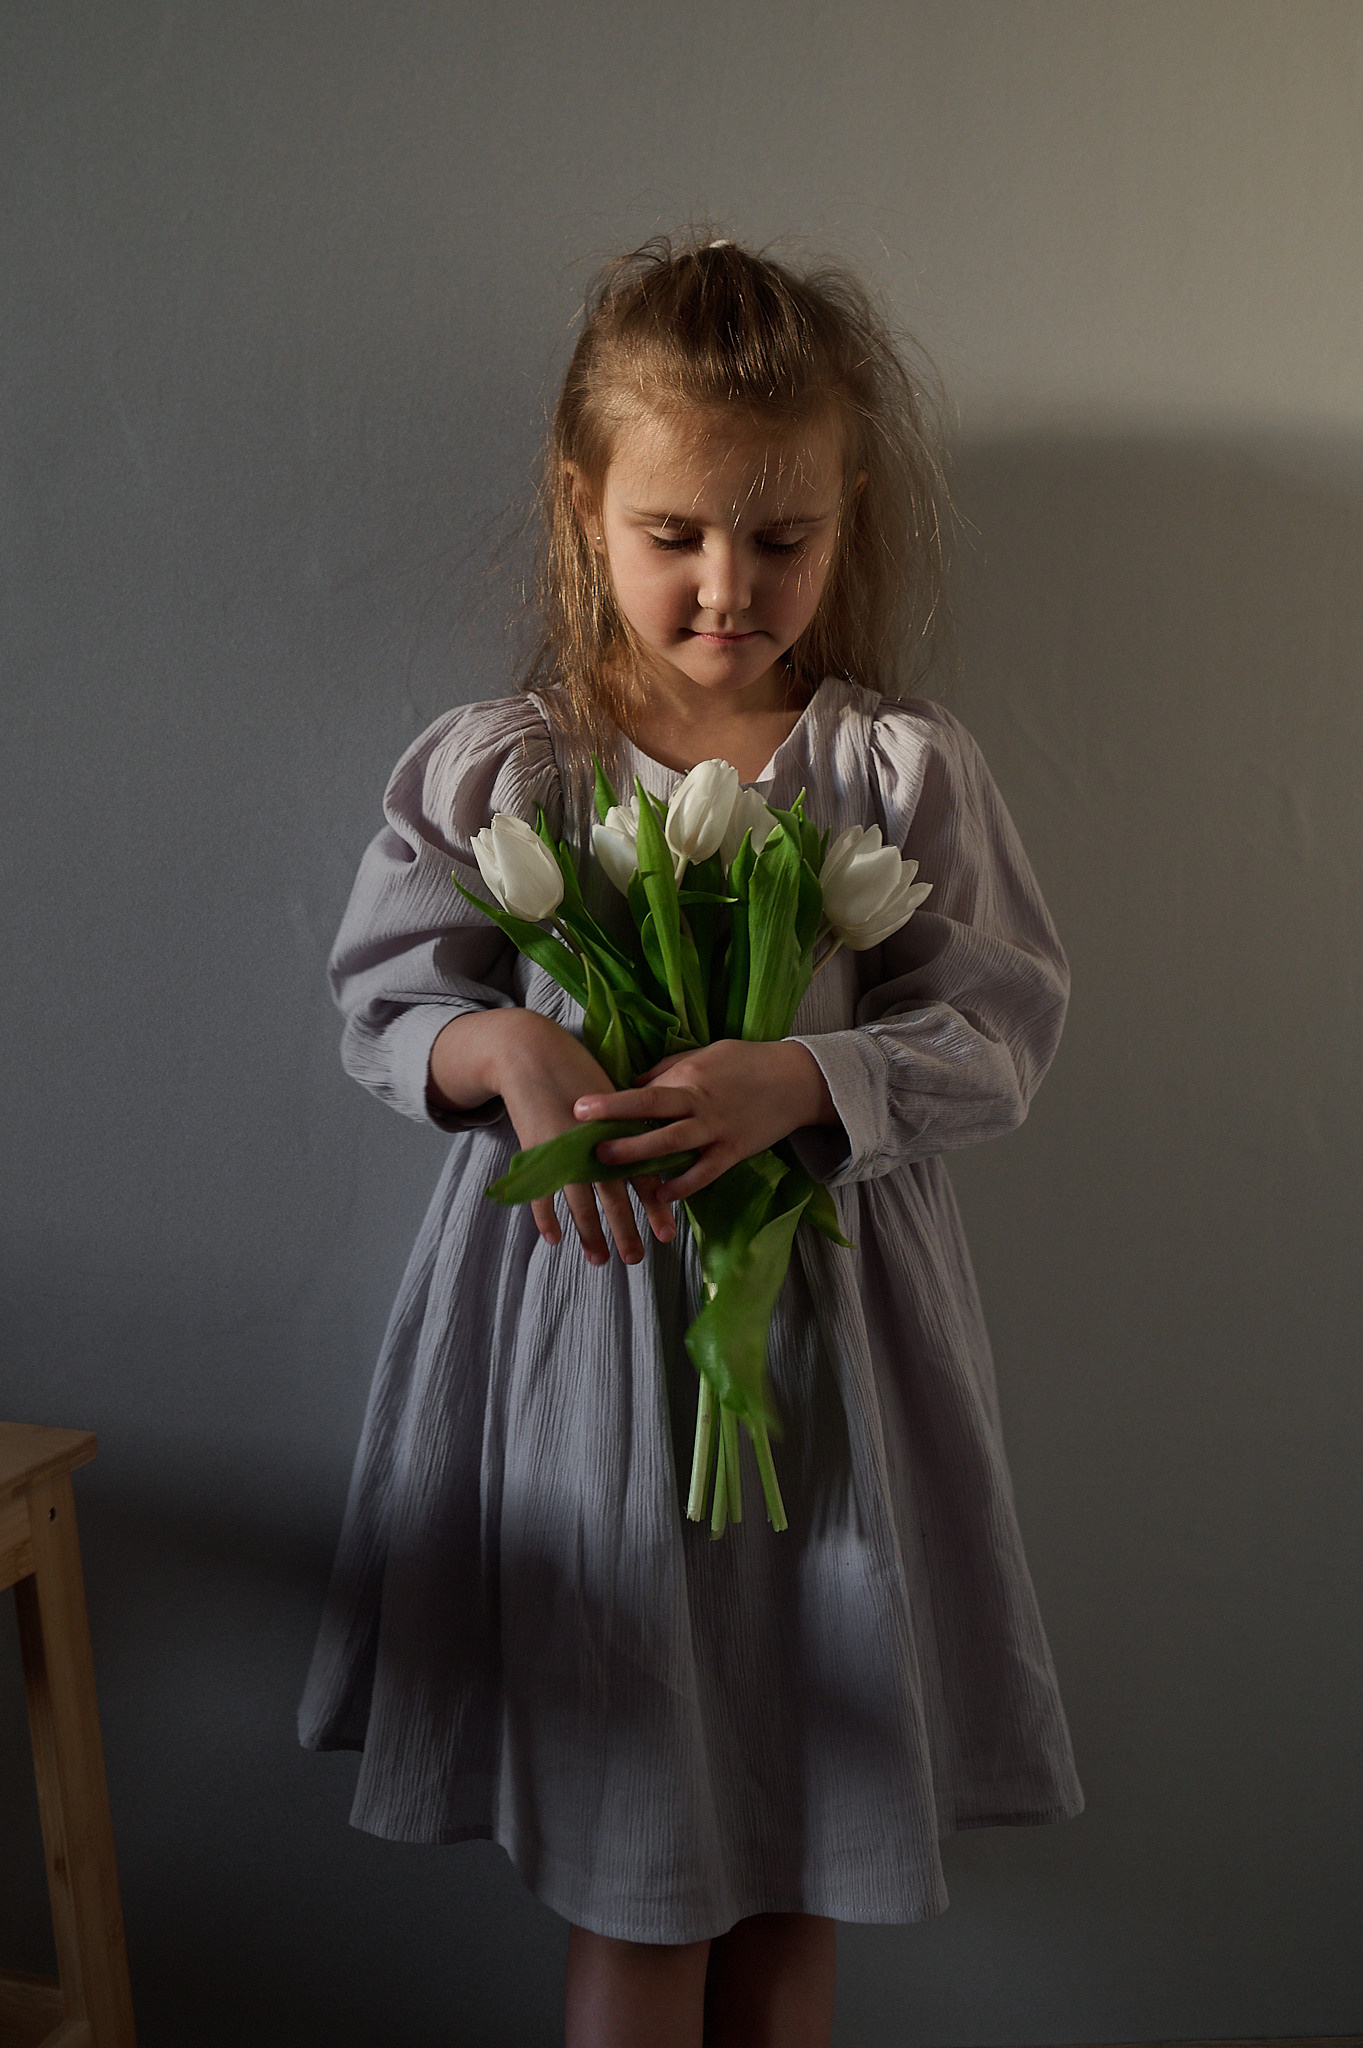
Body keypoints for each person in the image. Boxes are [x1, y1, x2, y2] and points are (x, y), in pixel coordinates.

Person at [299, 235, 1083, 2048]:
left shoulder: (891, 772)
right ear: (588, 511)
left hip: (831, 1357)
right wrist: (500, 1046)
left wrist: (806, 1081)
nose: (729, 586)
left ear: (847, 515)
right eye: (677, 536)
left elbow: (1002, 1025)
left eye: (780, 538)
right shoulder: (516, 770)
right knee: (637, 1872)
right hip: (584, 1346)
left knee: (804, 1866)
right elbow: (383, 1003)